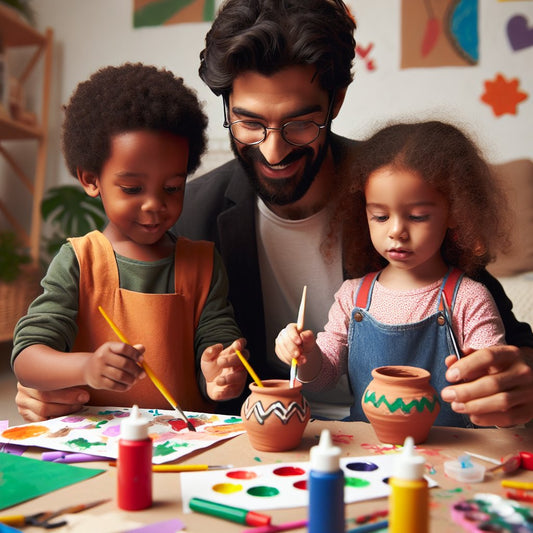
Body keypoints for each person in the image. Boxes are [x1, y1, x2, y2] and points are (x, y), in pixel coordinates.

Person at [16, 0, 533, 426]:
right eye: (248, 123)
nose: (273, 151)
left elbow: (509, 339)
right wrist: (56, 387)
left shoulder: (396, 189)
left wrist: (515, 377)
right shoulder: (188, 213)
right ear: (226, 109)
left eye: (300, 124)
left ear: (337, 101)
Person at [11, 63, 248, 415]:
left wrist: (218, 372)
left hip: (183, 446)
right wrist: (86, 367)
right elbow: (27, 357)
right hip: (97, 443)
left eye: (172, 187)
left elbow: (216, 339)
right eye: (132, 188)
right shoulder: (79, 261)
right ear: (91, 180)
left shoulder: (202, 263)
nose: (154, 205)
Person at [275, 120, 512, 427]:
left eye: (417, 216)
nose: (397, 231)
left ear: (455, 212)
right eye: (381, 216)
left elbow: (494, 386)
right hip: (369, 452)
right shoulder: (353, 296)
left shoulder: (469, 297)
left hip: (446, 450)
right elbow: (324, 377)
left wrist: (485, 378)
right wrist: (304, 356)